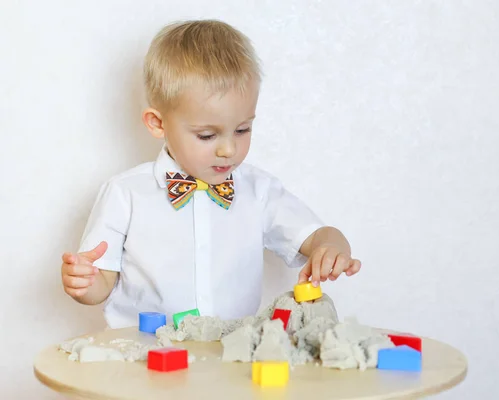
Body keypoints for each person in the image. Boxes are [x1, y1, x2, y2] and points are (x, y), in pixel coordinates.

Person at [60, 19, 361, 328]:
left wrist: (332, 247)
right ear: (157, 124)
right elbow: (102, 283)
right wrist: (85, 282)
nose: (228, 149)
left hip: (230, 358)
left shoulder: (259, 191)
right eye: (207, 135)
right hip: (144, 358)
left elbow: (315, 234)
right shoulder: (125, 193)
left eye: (242, 129)